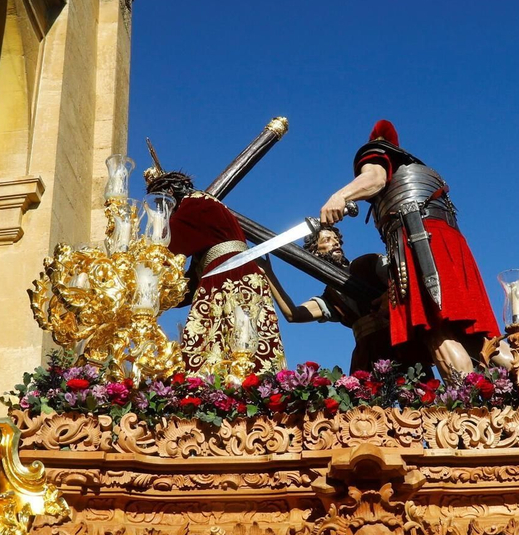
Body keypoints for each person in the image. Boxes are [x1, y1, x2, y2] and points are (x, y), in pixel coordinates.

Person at [319, 119, 500, 376]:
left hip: (419, 241)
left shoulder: (375, 155)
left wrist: (340, 196)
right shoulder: (419, 169)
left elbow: (375, 179)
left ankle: (467, 407)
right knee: (470, 333)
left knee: (435, 329)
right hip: (445, 241)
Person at [144, 153, 285, 375]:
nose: (163, 213)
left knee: (215, 346)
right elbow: (190, 281)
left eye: (162, 206)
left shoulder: (194, 204)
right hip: (232, 273)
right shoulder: (207, 208)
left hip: (228, 277)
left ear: (170, 193)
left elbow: (165, 249)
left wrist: (142, 270)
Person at [265, 225, 407, 373]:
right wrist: (268, 273)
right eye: (327, 240)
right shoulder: (332, 296)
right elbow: (293, 314)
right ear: (314, 252)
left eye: (336, 239)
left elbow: (404, 273)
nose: (336, 242)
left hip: (400, 344)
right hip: (366, 360)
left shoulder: (367, 263)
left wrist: (391, 293)